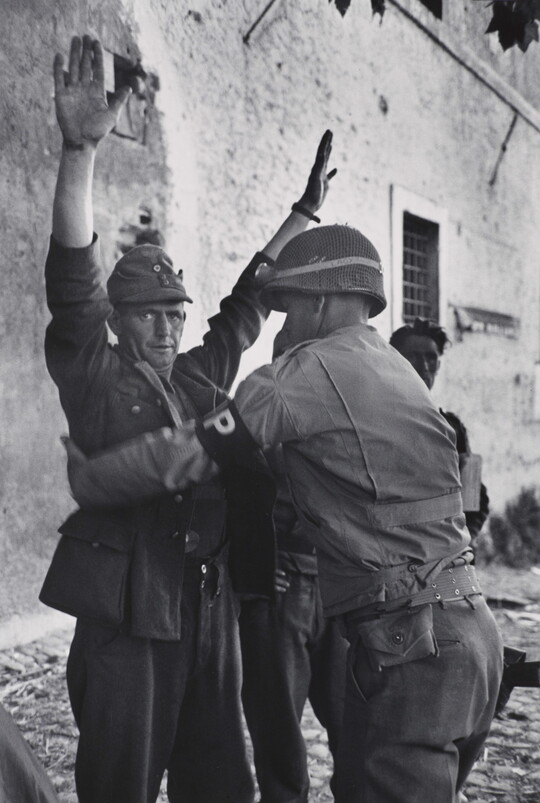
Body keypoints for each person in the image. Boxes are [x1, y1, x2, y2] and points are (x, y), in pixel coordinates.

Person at [63, 223, 504, 803]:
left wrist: (89, 479)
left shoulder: (302, 375)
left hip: (412, 644)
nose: (284, 326)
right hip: (473, 638)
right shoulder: (394, 368)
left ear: (320, 303)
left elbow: (191, 454)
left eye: (289, 310)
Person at [39, 34, 334, 803]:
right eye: (153, 315)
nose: (170, 329)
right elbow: (73, 284)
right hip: (130, 616)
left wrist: (300, 216)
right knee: (122, 784)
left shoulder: (199, 377)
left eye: (176, 314)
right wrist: (80, 152)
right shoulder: (94, 371)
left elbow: (246, 306)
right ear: (121, 318)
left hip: (207, 611)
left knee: (219, 785)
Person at [239, 438, 347, 803]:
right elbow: (228, 488)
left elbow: (469, 492)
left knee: (359, 733)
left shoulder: (381, 411)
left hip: (347, 589)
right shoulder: (268, 410)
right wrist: (253, 561)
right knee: (279, 736)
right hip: (284, 591)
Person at [389, 318, 489, 538]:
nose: (423, 367)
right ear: (394, 361)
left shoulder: (451, 427)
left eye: (431, 358)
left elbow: (474, 498)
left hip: (445, 552)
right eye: (413, 356)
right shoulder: (376, 421)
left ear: (438, 365)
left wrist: (466, 540)